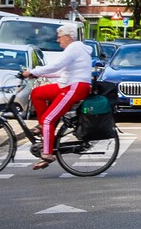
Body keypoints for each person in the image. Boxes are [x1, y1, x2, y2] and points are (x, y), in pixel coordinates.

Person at [21, 24, 92, 170]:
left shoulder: (74, 48)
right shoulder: (76, 49)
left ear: (67, 37)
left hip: (74, 87)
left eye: (59, 37)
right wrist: (36, 74)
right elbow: (60, 72)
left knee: (49, 119)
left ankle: (47, 153)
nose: (58, 40)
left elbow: (57, 66)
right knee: (37, 93)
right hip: (67, 85)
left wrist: (33, 71)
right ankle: (43, 127)